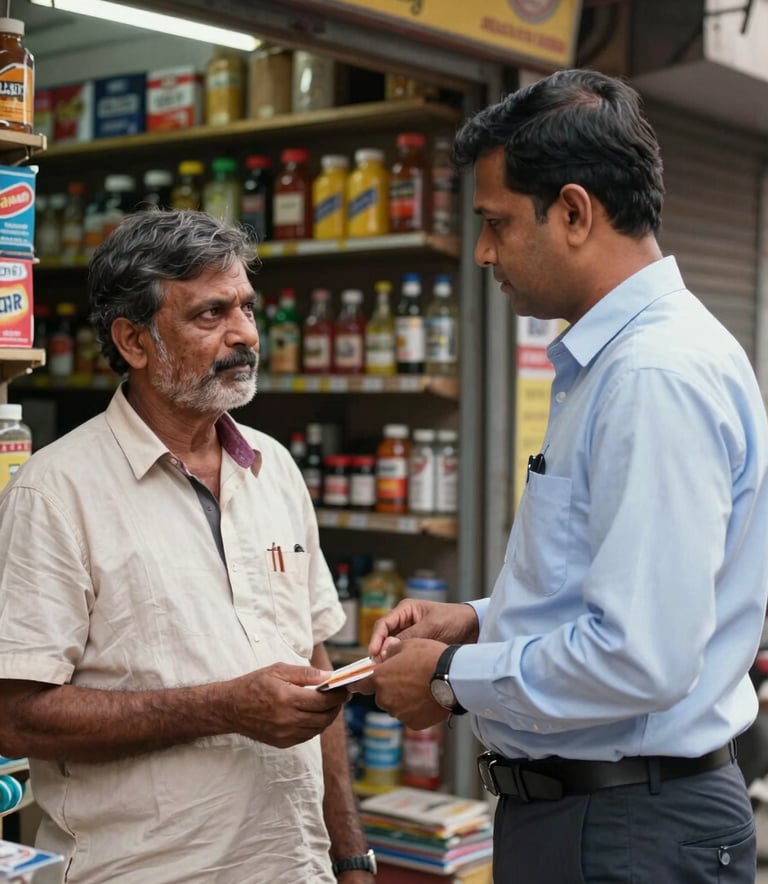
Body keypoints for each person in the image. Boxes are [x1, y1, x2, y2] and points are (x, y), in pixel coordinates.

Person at [355, 69, 768, 883]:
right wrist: (478, 621)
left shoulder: (653, 375)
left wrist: (444, 680)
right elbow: (606, 582)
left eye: (497, 224)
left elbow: (640, 657)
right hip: (600, 819)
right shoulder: (614, 362)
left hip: (625, 829)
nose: (482, 252)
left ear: (574, 212)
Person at [0, 208, 375, 884]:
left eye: (247, 309)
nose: (244, 336)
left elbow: (315, 663)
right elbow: (17, 718)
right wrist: (222, 707)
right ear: (134, 342)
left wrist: (350, 855)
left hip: (296, 868)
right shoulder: (56, 491)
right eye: (210, 315)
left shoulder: (274, 467)